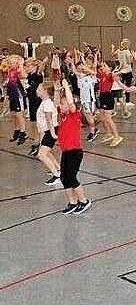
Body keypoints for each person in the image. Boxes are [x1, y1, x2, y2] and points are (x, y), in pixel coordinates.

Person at [56, 79, 92, 215]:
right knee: (64, 178)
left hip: (74, 152)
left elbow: (71, 104)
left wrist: (66, 87)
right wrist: (57, 91)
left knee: (71, 177)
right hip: (65, 152)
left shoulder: (74, 114)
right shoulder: (63, 116)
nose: (61, 105)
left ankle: (83, 201)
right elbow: (56, 104)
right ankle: (72, 202)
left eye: (63, 103)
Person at [35, 83, 61, 186]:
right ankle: (58, 168)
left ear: (45, 91)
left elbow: (49, 119)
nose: (37, 91)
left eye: (39, 89)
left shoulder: (47, 104)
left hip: (50, 131)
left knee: (41, 154)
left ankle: (57, 176)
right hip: (46, 131)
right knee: (47, 152)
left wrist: (52, 134)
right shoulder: (46, 102)